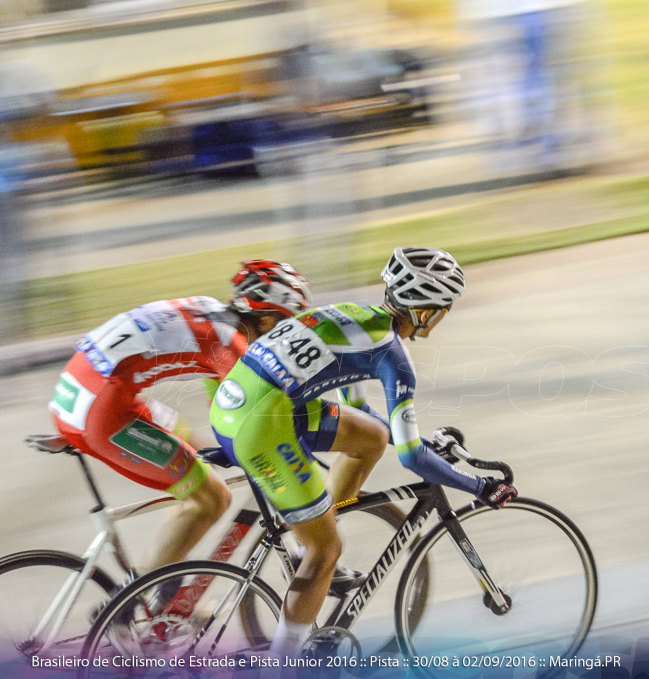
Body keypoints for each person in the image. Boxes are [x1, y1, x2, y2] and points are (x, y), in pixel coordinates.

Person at [209, 246, 518, 658]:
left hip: (240, 401)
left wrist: (422, 442)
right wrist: (479, 486)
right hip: (262, 423)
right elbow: (410, 459)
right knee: (326, 549)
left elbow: (362, 413)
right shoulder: (393, 356)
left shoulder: (355, 314)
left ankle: (311, 544)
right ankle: (283, 661)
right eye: (442, 308)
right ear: (424, 310)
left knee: (369, 437)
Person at [48, 260, 311, 577]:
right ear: (267, 321)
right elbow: (264, 414)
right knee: (212, 498)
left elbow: (223, 395)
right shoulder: (235, 345)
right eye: (287, 327)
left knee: (196, 455)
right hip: (99, 409)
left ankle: (166, 585)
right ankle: (139, 605)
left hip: (82, 390)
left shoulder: (214, 315)